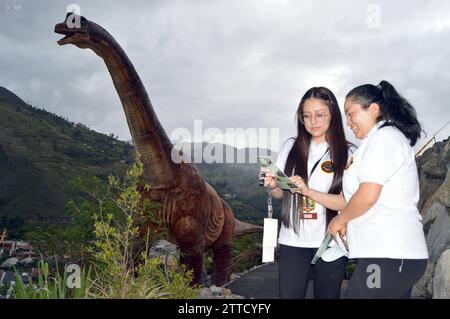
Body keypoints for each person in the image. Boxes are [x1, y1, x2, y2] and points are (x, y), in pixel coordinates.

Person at [292, 81, 429, 298]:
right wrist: (308, 192)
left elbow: (367, 196)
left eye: (350, 113)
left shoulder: (385, 139)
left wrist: (340, 220)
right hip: (383, 254)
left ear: (373, 110)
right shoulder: (371, 144)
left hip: (391, 253)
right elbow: (349, 199)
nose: (348, 122)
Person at [261, 87, 354, 299]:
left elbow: (347, 203)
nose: (313, 121)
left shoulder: (348, 153)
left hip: (330, 242)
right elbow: (279, 195)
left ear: (333, 115)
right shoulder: (291, 147)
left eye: (320, 114)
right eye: (307, 116)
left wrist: (308, 191)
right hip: (292, 240)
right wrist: (274, 184)